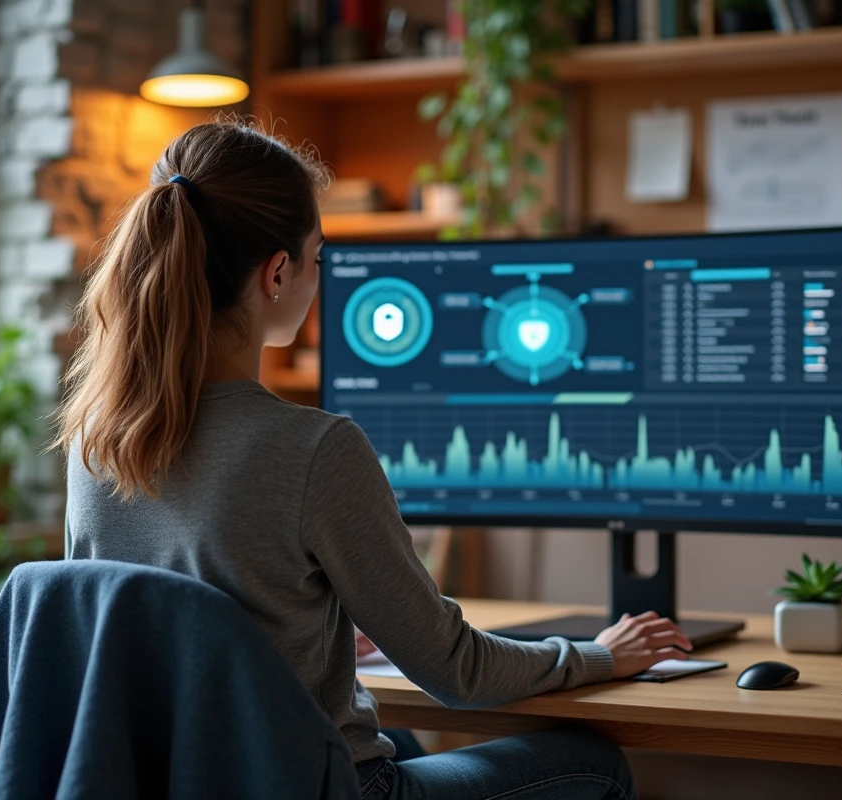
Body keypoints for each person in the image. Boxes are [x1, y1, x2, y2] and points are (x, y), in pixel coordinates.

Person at [55, 120, 692, 800]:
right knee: (593, 765)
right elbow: (455, 671)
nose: (319, 279)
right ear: (277, 273)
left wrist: (307, 636)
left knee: (405, 740)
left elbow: (148, 634)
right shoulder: (313, 448)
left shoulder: (96, 440)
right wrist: (601, 654)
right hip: (316, 788)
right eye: (317, 259)